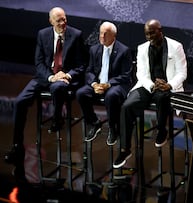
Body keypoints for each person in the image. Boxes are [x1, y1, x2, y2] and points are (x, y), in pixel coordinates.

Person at [4, 7, 87, 181]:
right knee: (20, 101)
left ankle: (58, 120)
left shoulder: (76, 35)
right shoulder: (43, 35)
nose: (63, 23)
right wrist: (50, 77)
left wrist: (67, 75)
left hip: (65, 79)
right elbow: (39, 63)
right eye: (59, 21)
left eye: (64, 19)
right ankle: (17, 147)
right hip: (46, 77)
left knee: (58, 88)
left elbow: (81, 65)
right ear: (51, 21)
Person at [113, 19, 187, 168]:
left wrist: (169, 85)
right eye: (147, 34)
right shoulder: (142, 48)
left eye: (152, 33)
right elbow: (141, 74)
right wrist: (152, 85)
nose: (150, 37)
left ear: (161, 30)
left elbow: (182, 72)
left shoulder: (176, 46)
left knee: (162, 98)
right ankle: (125, 149)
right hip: (148, 85)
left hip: (168, 86)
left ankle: (161, 131)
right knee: (127, 106)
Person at [76, 21, 133, 145]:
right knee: (81, 93)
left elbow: (125, 75)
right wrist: (94, 84)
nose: (101, 37)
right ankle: (94, 123)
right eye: (101, 33)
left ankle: (113, 128)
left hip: (116, 84)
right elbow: (89, 71)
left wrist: (108, 84)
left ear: (114, 35)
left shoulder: (124, 51)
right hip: (98, 84)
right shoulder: (94, 49)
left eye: (105, 34)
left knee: (111, 96)